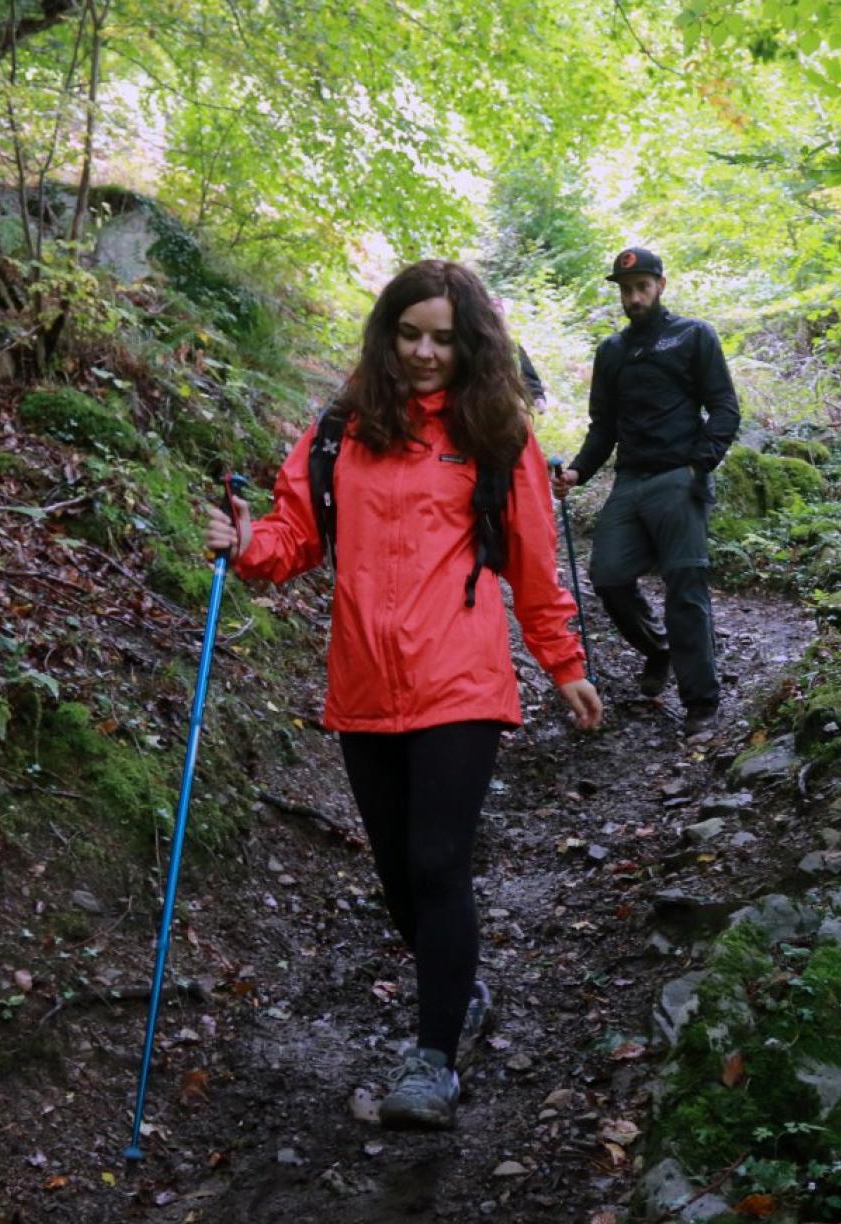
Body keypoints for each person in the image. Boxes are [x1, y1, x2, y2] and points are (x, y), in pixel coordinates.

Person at [204, 259, 602, 1130]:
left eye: (444, 339)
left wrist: (562, 662)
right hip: (362, 682)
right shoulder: (342, 430)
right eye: (410, 334)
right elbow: (294, 536)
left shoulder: (496, 433)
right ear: (387, 335)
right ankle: (456, 987)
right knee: (395, 874)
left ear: (472, 347)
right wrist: (245, 544)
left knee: (435, 862)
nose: (425, 353)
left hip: (460, 675)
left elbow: (533, 557)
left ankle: (434, 1059)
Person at [556, 247, 740, 736]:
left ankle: (701, 703)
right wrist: (576, 473)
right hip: (630, 479)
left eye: (641, 287)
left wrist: (699, 464)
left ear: (660, 285)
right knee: (608, 576)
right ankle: (659, 650)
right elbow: (603, 428)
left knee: (685, 587)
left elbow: (724, 407)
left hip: (679, 477)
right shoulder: (612, 352)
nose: (633, 297)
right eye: (625, 289)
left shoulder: (693, 335)